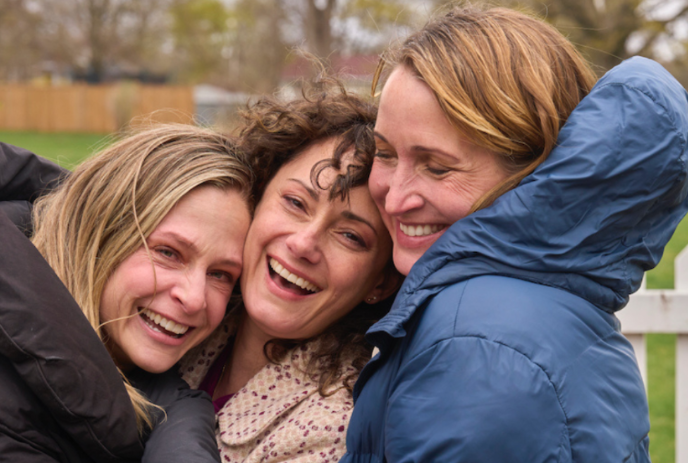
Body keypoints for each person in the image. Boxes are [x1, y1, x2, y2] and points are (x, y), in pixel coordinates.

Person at [338, 5, 688, 462]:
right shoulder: (531, 306)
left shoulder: (479, 350)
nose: (395, 196)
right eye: (384, 154)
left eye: (437, 167)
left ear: (531, 169)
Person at [0, 124, 253, 462]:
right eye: (168, 253)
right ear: (99, 233)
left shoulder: (171, 405)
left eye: (221, 274)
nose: (194, 298)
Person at [178, 83, 401, 463]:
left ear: (380, 283)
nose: (303, 243)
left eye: (350, 236)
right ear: (258, 195)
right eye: (295, 202)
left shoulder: (333, 430)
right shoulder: (183, 310)